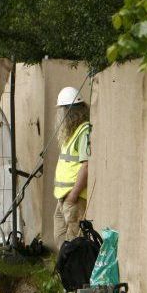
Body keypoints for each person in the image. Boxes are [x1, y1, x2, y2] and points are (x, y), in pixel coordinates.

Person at [53, 86, 91, 249]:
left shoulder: (84, 131)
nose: (60, 114)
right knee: (61, 238)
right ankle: (64, 272)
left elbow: (86, 166)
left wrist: (74, 195)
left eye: (62, 110)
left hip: (73, 197)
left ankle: (73, 274)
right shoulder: (72, 133)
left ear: (70, 111)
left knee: (74, 242)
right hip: (63, 196)